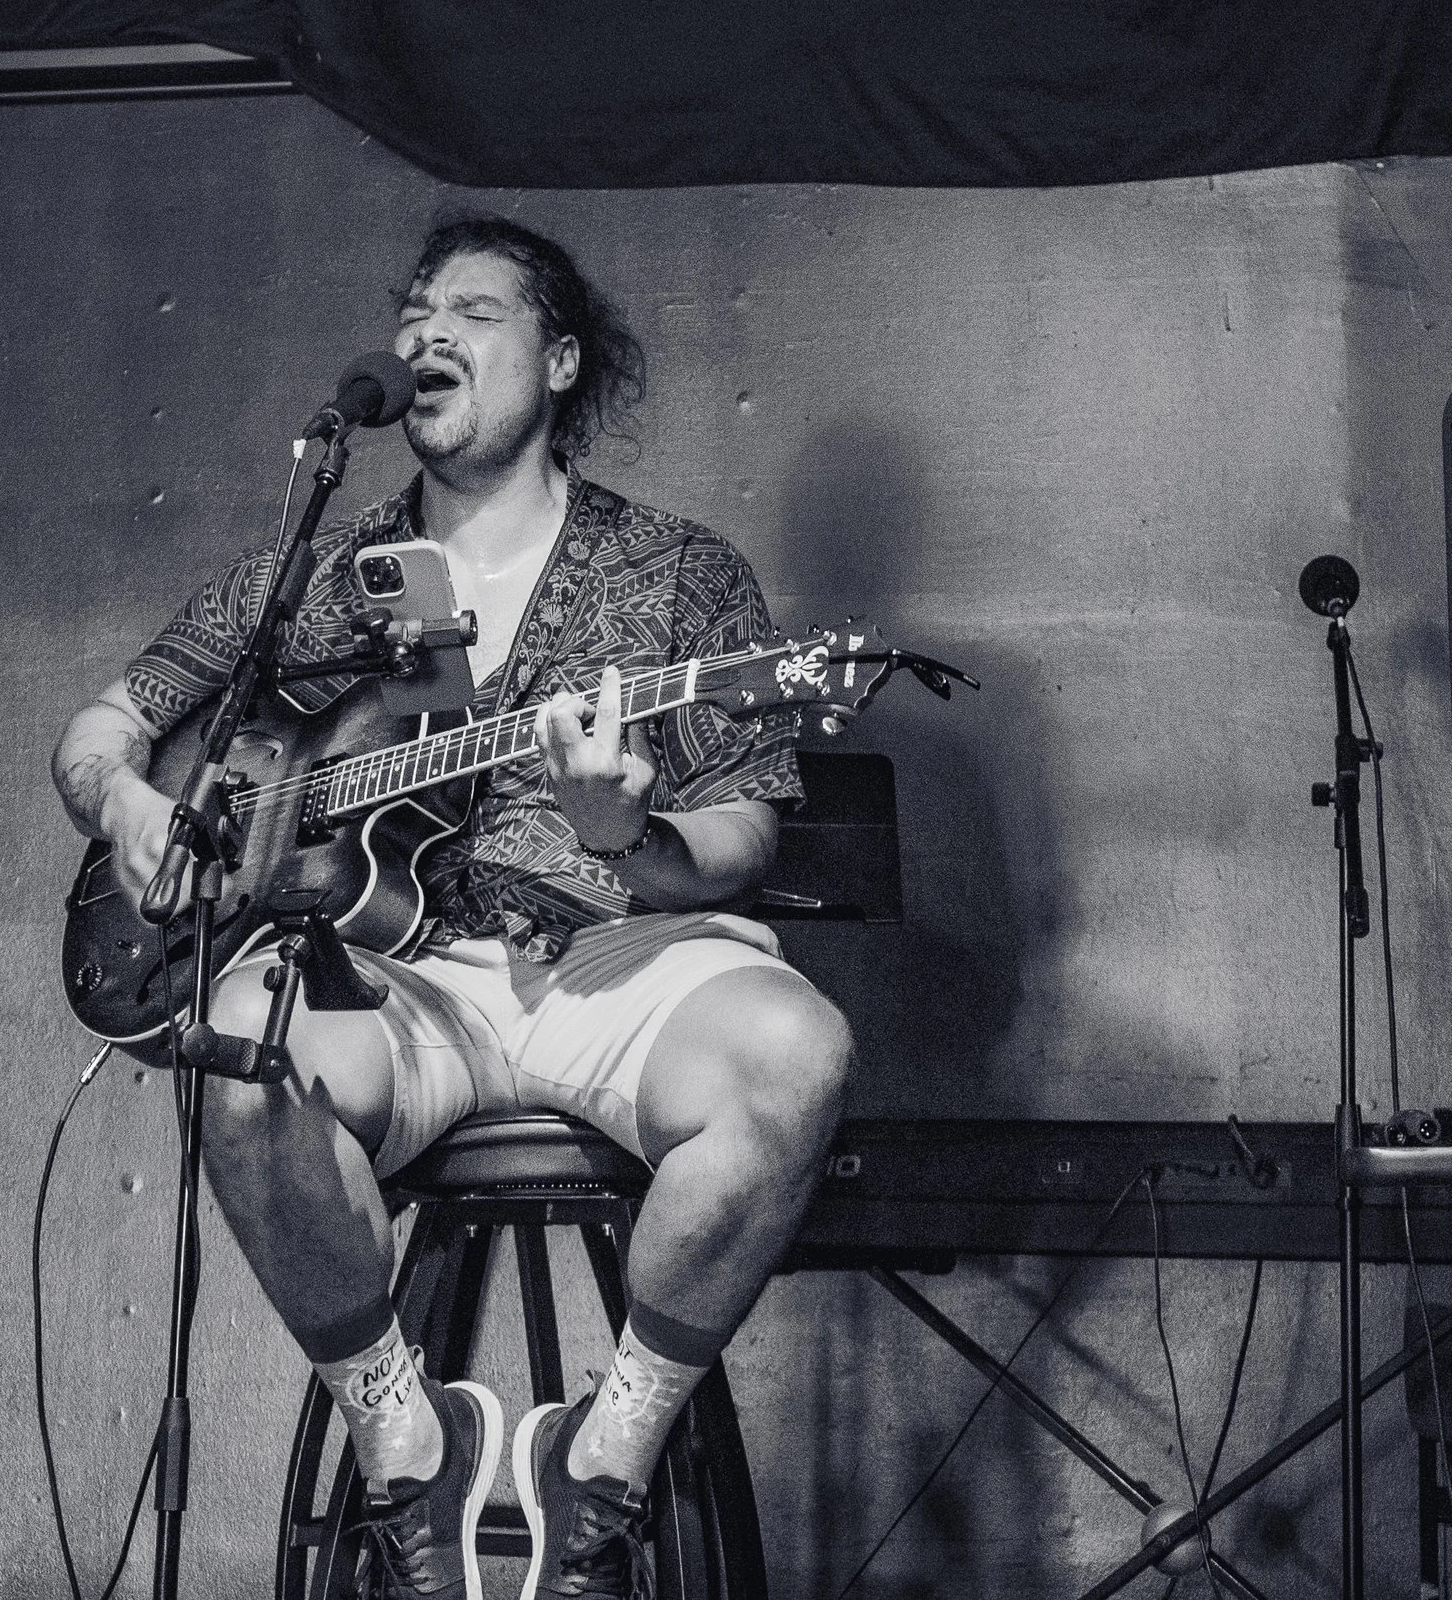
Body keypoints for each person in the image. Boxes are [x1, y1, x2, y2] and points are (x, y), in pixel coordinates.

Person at [51, 210, 854, 1600]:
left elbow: (738, 830)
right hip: (395, 980)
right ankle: (406, 1445)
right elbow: (102, 730)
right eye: (417, 309)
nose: (427, 331)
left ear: (556, 361)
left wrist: (634, 831)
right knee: (242, 1068)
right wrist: (126, 802)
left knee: (801, 1056)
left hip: (619, 957)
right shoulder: (308, 580)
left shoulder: (681, 573)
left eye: (473, 312)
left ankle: (603, 1466)